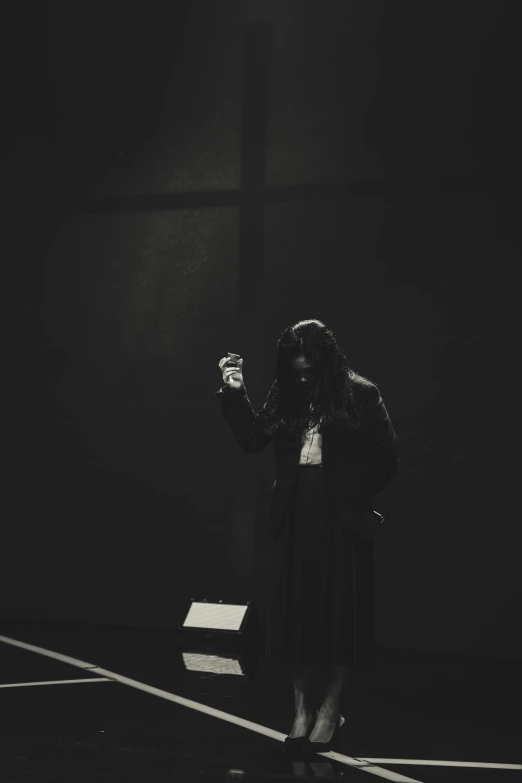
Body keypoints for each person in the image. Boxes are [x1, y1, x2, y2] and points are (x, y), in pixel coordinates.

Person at [215, 319, 399, 756]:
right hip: (295, 512)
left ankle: (331, 707)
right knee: (297, 612)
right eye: (295, 368)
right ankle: (301, 709)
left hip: (342, 517)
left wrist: (356, 498)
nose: (302, 375)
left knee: (341, 615)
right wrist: (235, 392)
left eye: (308, 368)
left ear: (327, 361)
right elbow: (252, 438)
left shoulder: (361, 393)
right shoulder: (286, 391)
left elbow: (386, 457)